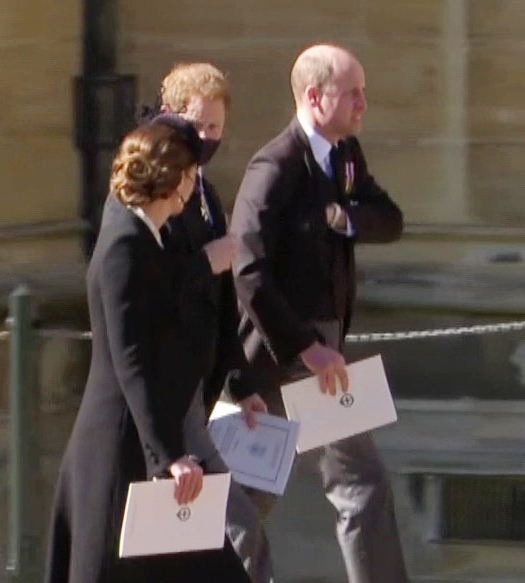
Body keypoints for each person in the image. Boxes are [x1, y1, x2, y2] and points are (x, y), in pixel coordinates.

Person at [45, 114, 252, 583]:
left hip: (148, 444)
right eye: (191, 178)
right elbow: (130, 360)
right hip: (121, 452)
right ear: (172, 181)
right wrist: (168, 456)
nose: (195, 188)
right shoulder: (123, 243)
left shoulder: (149, 234)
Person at [230, 44, 408, 583]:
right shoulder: (275, 166)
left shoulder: (346, 155)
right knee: (254, 497)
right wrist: (305, 345)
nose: (363, 104)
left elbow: (390, 219)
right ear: (313, 96)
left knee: (350, 486)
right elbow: (247, 268)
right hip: (279, 354)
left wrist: (343, 215)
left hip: (321, 349)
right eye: (352, 92)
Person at [157, 62, 273, 583]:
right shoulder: (157, 194)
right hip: (168, 395)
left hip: (199, 392)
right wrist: (205, 260)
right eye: (198, 126)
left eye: (215, 130)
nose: (206, 139)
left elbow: (226, 301)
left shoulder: (207, 193)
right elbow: (141, 287)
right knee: (238, 532)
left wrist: (240, 381)